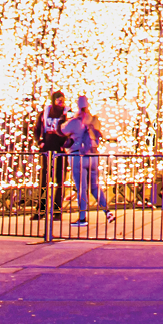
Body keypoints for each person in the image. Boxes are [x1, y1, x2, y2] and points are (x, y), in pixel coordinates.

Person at [61, 94, 114, 227]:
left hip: (78, 156)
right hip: (93, 157)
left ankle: (83, 217)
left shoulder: (74, 122)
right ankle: (107, 211)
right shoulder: (94, 120)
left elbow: (61, 130)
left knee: (81, 188)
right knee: (94, 186)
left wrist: (66, 116)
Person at [32, 90, 68, 221]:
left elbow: (70, 129)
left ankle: (57, 210)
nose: (61, 103)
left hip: (60, 151)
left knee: (59, 181)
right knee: (43, 181)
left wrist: (66, 144)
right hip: (47, 149)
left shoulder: (66, 113)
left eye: (63, 101)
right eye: (59, 100)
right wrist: (40, 142)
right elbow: (37, 128)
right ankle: (41, 210)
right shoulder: (45, 113)